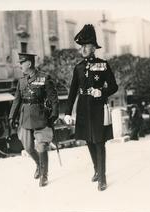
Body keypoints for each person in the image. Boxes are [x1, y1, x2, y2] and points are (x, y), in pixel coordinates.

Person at [64, 24, 118, 191]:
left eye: (86, 46)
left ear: (94, 47)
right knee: (88, 140)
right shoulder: (78, 67)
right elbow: (72, 92)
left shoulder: (103, 64)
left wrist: (101, 91)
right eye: (82, 46)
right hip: (82, 109)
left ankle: (102, 178)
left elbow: (114, 86)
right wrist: (67, 112)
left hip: (98, 108)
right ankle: (96, 169)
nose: (83, 49)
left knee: (99, 142)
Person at [9, 53, 59, 187]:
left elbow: (54, 98)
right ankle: (38, 164)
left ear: (29, 64)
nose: (20, 66)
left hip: (40, 116)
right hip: (25, 117)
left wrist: (54, 114)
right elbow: (16, 101)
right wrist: (11, 116)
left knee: (42, 146)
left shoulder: (44, 78)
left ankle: (44, 174)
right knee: (28, 147)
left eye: (22, 63)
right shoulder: (21, 81)